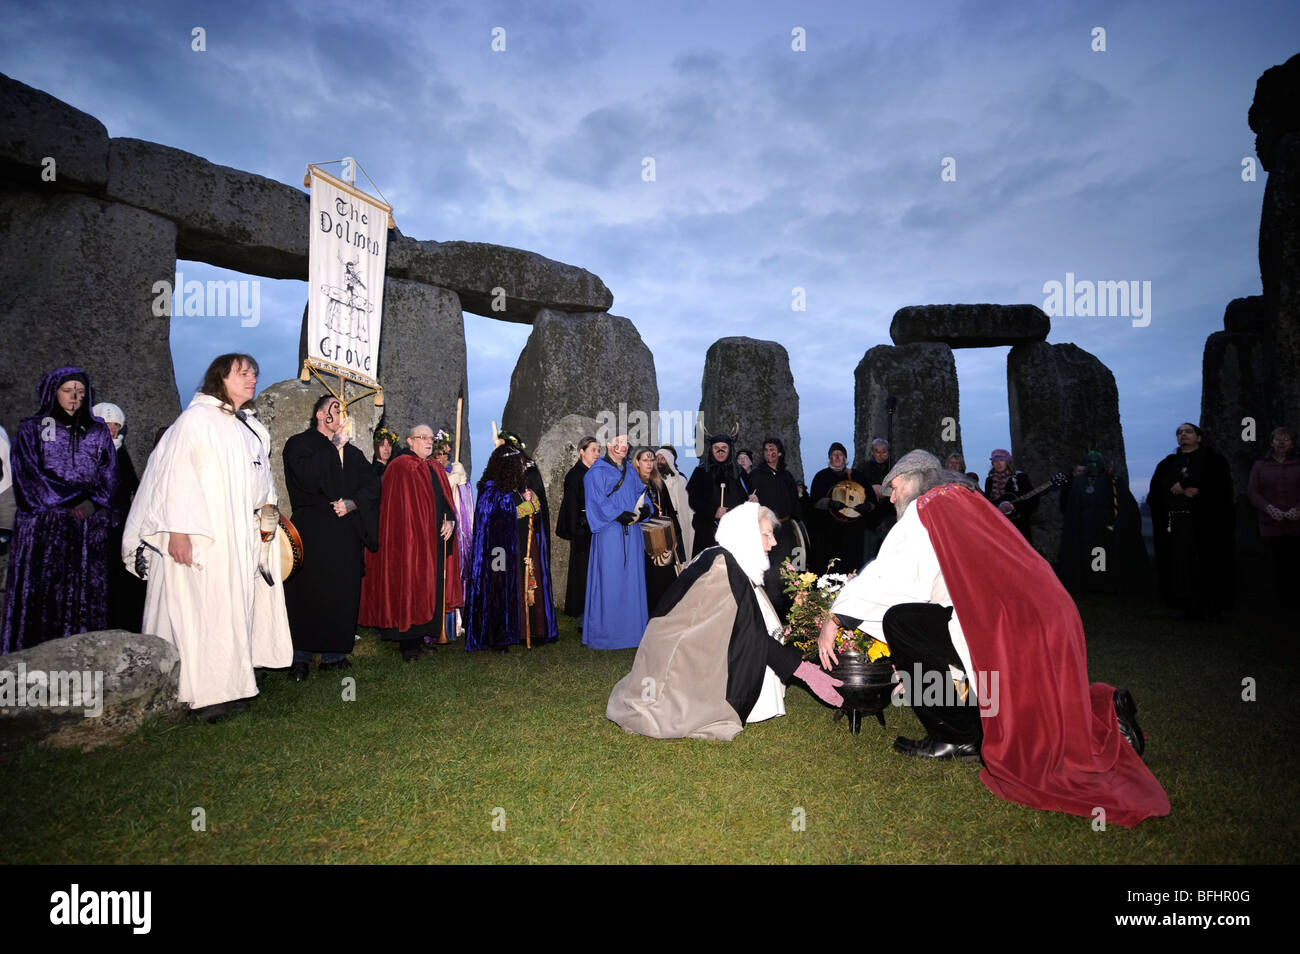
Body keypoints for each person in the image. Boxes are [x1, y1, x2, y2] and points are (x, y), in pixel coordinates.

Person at [816, 450, 1169, 828]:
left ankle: (953, 735)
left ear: (915, 479)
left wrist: (836, 616)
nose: (890, 496)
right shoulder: (968, 501)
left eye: (894, 486)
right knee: (1031, 694)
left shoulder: (928, 507)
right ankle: (1102, 712)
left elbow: (893, 575)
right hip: (1046, 611)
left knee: (902, 622)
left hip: (1004, 619)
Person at [121, 354, 291, 721]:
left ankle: (231, 685)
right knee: (204, 611)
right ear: (220, 377)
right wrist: (178, 532)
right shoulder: (196, 421)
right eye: (243, 373)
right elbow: (174, 477)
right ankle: (204, 696)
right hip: (204, 536)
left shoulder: (244, 427)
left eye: (255, 374)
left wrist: (267, 519)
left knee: (233, 610)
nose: (252, 379)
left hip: (240, 536)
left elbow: (261, 481)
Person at [606, 502, 844, 740]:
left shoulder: (724, 558)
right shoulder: (723, 569)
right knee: (676, 707)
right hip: (680, 653)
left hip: (693, 644)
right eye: (767, 534)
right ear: (746, 534)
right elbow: (751, 635)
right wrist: (805, 672)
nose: (774, 543)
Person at [2, 367, 118, 654]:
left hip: (87, 528)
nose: (75, 397)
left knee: (83, 596)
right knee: (42, 595)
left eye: (80, 391)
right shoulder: (32, 429)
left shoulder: (98, 431)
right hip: (44, 528)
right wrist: (69, 501)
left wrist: (93, 504)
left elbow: (111, 475)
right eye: (68, 390)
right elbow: (27, 476)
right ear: (53, 393)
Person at [282, 394, 381, 680]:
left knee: (341, 591)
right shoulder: (299, 444)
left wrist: (353, 503)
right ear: (319, 414)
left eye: (343, 412)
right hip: (311, 529)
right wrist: (332, 447)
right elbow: (306, 479)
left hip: (343, 534)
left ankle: (334, 654)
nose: (340, 416)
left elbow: (373, 485)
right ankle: (299, 656)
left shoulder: (353, 454)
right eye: (335, 410)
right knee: (306, 592)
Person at [359, 424, 457, 661]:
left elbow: (445, 502)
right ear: (409, 441)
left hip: (433, 541)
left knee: (430, 587)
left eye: (430, 438)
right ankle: (409, 644)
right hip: (408, 543)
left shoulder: (434, 467)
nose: (428, 441)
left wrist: (450, 521)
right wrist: (412, 535)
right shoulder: (400, 467)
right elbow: (396, 510)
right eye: (421, 437)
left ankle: (426, 636)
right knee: (410, 587)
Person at [464, 442, 557, 651]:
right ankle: (497, 636)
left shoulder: (518, 488)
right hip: (499, 552)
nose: (524, 468)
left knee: (524, 586)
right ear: (508, 466)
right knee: (498, 587)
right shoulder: (491, 489)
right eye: (520, 464)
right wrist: (524, 509)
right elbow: (493, 519)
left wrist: (534, 505)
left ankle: (526, 631)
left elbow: (529, 512)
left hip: (521, 547)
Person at [1148, 423, 1234, 620]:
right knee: (1180, 563)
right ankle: (1187, 606)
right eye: (1179, 432)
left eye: (1188, 431)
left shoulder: (1214, 461)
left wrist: (1187, 486)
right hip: (1177, 522)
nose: (1183, 435)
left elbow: (1220, 489)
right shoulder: (1168, 463)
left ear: (1199, 437)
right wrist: (1175, 488)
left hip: (1207, 523)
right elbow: (1157, 490)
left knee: (1207, 563)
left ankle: (1213, 607)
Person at [583, 434, 653, 650]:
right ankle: (607, 635)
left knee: (632, 580)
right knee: (609, 581)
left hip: (632, 534)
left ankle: (633, 633)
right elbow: (596, 500)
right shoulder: (596, 472)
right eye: (618, 443)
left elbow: (639, 493)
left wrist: (646, 508)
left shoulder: (630, 471)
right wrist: (616, 513)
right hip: (609, 533)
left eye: (626, 443)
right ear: (608, 445)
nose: (623, 447)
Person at [1056, 450, 1147, 595]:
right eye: (1090, 462)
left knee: (1100, 552)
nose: (1093, 465)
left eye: (1096, 462)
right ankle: (1090, 582)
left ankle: (1102, 582)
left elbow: (1124, 504)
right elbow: (1072, 504)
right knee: (1087, 552)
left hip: (1104, 522)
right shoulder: (1079, 481)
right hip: (1085, 523)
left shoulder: (1112, 480)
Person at [93, 401, 146, 631]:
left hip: (120, 521)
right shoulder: (87, 449)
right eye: (107, 424)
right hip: (95, 523)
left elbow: (132, 484)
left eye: (116, 425)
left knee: (121, 574)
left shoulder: (120, 450)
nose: (112, 430)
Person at [1247, 426, 1300, 606]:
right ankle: (1280, 601)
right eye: (1278, 439)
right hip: (1270, 522)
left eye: (1286, 439)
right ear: (1271, 442)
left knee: (1294, 560)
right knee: (1275, 561)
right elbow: (1253, 492)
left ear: (1292, 443)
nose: (1282, 442)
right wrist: (1269, 508)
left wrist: (1298, 509)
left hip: (1297, 522)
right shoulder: (1260, 465)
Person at [747, 437, 800, 614]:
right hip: (765, 530)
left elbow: (795, 503)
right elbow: (747, 500)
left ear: (780, 453)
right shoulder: (755, 476)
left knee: (787, 568)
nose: (769, 453)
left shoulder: (787, 476)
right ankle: (769, 610)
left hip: (785, 529)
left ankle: (787, 610)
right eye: (766, 450)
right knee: (769, 571)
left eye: (772, 450)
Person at [632, 446, 685, 614]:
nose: (649, 464)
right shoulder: (632, 483)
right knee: (647, 577)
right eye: (645, 460)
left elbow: (669, 510)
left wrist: (675, 536)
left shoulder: (658, 483)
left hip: (661, 537)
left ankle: (664, 612)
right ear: (637, 462)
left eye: (651, 460)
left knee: (664, 575)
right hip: (641, 537)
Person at [807, 442, 872, 574]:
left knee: (851, 568)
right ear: (829, 458)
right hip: (827, 533)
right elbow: (814, 501)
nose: (837, 457)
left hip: (852, 533)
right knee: (828, 569)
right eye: (833, 454)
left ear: (845, 459)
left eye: (840, 454)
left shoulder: (857, 476)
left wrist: (866, 506)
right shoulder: (821, 477)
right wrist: (830, 503)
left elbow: (871, 500)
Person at [556, 436, 599, 620]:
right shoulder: (575, 475)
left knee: (591, 570)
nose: (597, 454)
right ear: (582, 451)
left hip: (593, 527)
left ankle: (592, 609)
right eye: (593, 450)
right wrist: (577, 529)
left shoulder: (594, 473)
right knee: (581, 571)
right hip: (582, 528)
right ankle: (581, 612)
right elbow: (571, 505)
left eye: (598, 450)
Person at [685, 433, 747, 554]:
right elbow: (694, 501)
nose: (720, 451)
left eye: (724, 447)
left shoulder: (739, 472)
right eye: (716, 448)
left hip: (734, 530)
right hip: (707, 530)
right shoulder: (701, 471)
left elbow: (748, 495)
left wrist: (753, 498)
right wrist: (713, 511)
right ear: (711, 450)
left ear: (730, 449)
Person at [983, 449, 1038, 543]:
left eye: (1001, 460)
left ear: (1007, 462)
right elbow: (988, 501)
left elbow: (1033, 499)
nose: (998, 463)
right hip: (997, 525)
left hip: (1018, 524)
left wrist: (1015, 507)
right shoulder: (989, 480)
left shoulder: (1020, 478)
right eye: (995, 461)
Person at [655, 445, 695, 559]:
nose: (659, 461)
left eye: (662, 458)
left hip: (679, 521)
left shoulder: (681, 480)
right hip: (663, 522)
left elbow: (687, 505)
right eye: (657, 458)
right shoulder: (655, 482)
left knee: (681, 552)